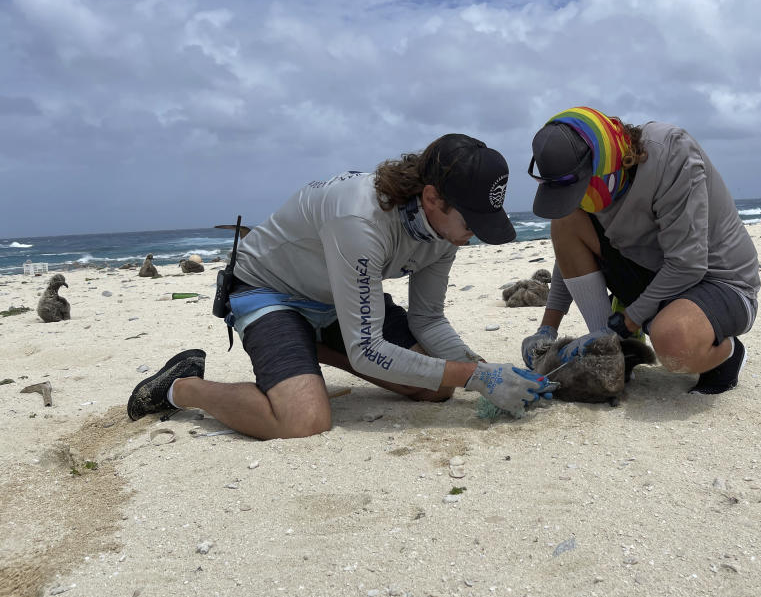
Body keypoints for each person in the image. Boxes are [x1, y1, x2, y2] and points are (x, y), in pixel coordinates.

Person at [127, 134, 552, 438]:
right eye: (471, 222)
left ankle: (312, 350)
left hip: (339, 297)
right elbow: (369, 351)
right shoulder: (360, 221)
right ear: (431, 198)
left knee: (438, 387)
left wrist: (481, 367)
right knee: (302, 422)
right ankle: (178, 386)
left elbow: (428, 317)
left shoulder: (443, 232)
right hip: (270, 292)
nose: (473, 234)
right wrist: (475, 376)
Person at [520, 107, 760, 394]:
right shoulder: (592, 182)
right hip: (652, 274)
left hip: (718, 280)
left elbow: (688, 265)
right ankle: (613, 355)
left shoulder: (672, 154)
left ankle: (729, 354)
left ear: (605, 162)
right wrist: (547, 329)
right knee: (566, 219)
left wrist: (625, 321)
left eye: (578, 191)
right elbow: (569, 250)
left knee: (673, 342)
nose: (577, 198)